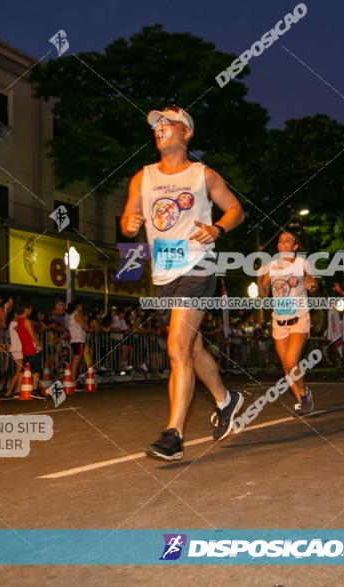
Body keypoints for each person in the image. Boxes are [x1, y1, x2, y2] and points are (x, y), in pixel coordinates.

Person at [120, 104, 245, 461]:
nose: (159, 128)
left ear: (186, 133)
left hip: (197, 266)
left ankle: (174, 434)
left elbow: (236, 209)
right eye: (156, 125)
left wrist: (218, 228)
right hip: (164, 272)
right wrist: (128, 224)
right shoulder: (142, 177)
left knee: (176, 346)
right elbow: (130, 217)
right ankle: (226, 399)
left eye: (167, 123)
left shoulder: (202, 175)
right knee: (189, 349)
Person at [257, 231, 317, 416]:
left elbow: (313, 284)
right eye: (280, 241)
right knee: (286, 366)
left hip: (299, 318)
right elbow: (263, 294)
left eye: (287, 241)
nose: (283, 243)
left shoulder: (302, 263)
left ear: (295, 246)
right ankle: (303, 400)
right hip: (279, 321)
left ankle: (305, 393)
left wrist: (311, 286)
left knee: (291, 361)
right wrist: (259, 279)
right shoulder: (271, 266)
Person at [5, 303, 42, 398]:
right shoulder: (22, 321)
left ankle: (17, 391)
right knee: (30, 370)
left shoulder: (18, 322)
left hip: (23, 348)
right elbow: (31, 334)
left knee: (21, 370)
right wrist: (38, 343)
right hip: (25, 348)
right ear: (25, 309)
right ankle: (13, 391)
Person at [66, 300, 91, 391]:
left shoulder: (70, 316)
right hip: (79, 340)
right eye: (81, 305)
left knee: (75, 362)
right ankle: (73, 382)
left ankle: (73, 381)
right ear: (77, 306)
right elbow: (86, 327)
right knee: (76, 362)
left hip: (73, 340)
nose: (82, 307)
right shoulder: (77, 315)